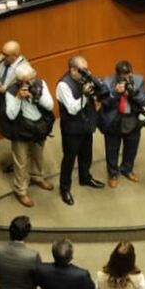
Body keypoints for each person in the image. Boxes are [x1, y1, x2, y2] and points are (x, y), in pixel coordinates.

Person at [55, 55, 107, 206]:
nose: (87, 72)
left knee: (86, 155)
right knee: (69, 160)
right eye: (83, 70)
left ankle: (85, 178)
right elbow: (72, 109)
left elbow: (101, 93)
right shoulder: (63, 85)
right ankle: (65, 188)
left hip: (86, 124)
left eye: (87, 69)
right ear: (72, 69)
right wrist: (84, 95)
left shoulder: (85, 79)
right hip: (72, 129)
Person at [2, 64, 55, 207]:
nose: (29, 83)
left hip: (39, 127)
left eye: (31, 79)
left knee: (38, 155)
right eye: (25, 81)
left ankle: (37, 177)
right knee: (20, 162)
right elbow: (11, 115)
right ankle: (21, 191)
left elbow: (50, 106)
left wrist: (36, 95)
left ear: (35, 74)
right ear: (18, 81)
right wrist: (18, 98)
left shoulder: (40, 83)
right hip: (20, 130)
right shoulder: (11, 91)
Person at [100, 60, 145, 187]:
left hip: (132, 118)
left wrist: (134, 94)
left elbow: (144, 101)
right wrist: (115, 93)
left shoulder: (139, 80)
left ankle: (127, 169)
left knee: (131, 147)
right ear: (117, 75)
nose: (127, 78)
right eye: (123, 76)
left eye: (129, 75)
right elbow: (105, 103)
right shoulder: (107, 82)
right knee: (112, 149)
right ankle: (113, 174)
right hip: (113, 120)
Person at [0, 40, 29, 107]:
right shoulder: (1, 57)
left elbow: (24, 91)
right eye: (2, 53)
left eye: (6, 55)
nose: (3, 56)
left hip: (12, 105)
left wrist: (5, 91)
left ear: (15, 56)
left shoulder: (25, 68)